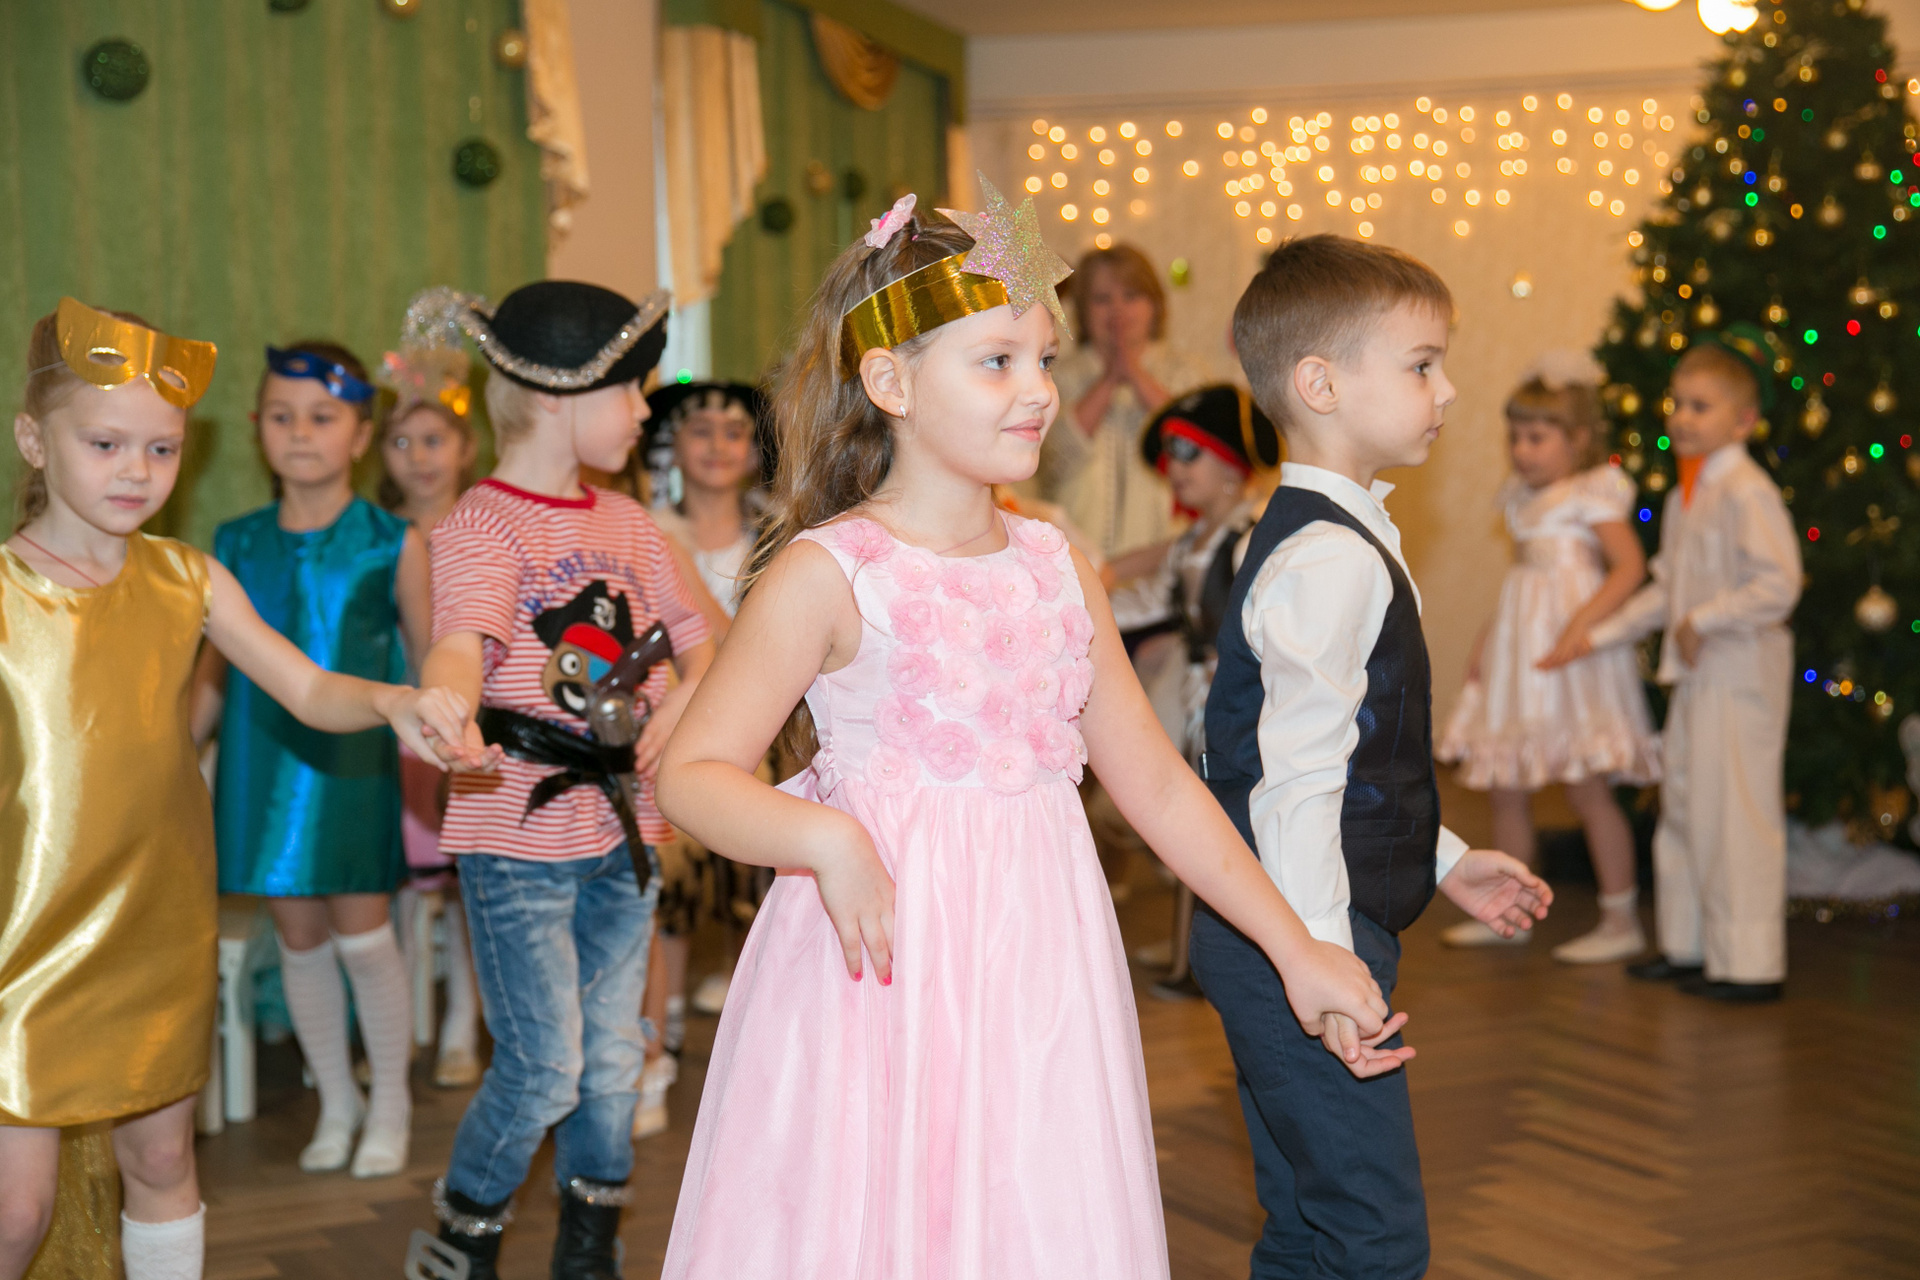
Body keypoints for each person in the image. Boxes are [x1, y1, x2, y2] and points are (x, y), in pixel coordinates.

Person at [652, 185, 1402, 1279]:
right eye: (997, 361)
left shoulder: (1057, 566)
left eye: (1044, 359)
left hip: (1041, 965)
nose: (1039, 390)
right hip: (882, 969)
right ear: (891, 383)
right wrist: (826, 838)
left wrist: (1297, 950)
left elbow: (1157, 783)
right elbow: (693, 774)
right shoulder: (830, 572)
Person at [0, 298, 486, 1280]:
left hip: (154, 920)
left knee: (162, 1160)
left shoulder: (191, 579)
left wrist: (392, 699)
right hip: (26, 935)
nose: (136, 470)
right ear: (35, 442)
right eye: (105, 443)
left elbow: (306, 687)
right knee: (18, 1209)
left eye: (162, 448)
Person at [1195, 235, 1552, 1278]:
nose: (1449, 388)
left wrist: (1445, 862)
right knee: (1374, 1234)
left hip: (1292, 926)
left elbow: (1350, 764)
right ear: (1321, 384)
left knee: (1311, 1225)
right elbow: (1297, 786)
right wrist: (1318, 958)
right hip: (1302, 935)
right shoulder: (1329, 558)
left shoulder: (1335, 538)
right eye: (1422, 364)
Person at [404, 279, 715, 1280]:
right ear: (555, 395)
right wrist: (447, 699)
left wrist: (678, 709)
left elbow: (708, 646)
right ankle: (459, 1248)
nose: (642, 411)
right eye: (630, 391)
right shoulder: (482, 525)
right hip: (516, 837)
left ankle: (589, 1254)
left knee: (615, 1059)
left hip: (623, 832)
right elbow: (463, 640)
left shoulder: (631, 524)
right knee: (545, 1065)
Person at [191, 341, 425, 1180]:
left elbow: (428, 663)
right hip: (263, 761)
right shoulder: (233, 543)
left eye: (322, 418)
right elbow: (213, 671)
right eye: (282, 417)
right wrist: (177, 750)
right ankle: (336, 1100)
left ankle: (390, 1102)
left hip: (354, 764)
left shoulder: (392, 542)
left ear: (360, 435)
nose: (300, 433)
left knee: (364, 932)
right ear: (258, 427)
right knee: (297, 934)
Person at [1577, 326, 1801, 1002]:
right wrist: (1601, 634)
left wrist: (1704, 620)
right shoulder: (1684, 497)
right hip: (1698, 676)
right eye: (1678, 404)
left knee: (1736, 814)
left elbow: (1779, 584)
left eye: (1701, 406)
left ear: (1745, 420)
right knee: (1685, 806)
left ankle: (1749, 964)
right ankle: (1690, 946)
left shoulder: (1747, 491)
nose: (1683, 418)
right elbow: (1669, 589)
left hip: (1740, 674)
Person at [1436, 353, 1661, 963]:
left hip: (1572, 661)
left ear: (1579, 438)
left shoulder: (1590, 495)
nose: (1522, 450)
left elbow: (1629, 567)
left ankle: (1620, 918)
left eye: (1537, 437)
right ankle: (1510, 911)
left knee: (1587, 788)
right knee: (1507, 786)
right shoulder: (1519, 500)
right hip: (1522, 659)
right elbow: (1521, 583)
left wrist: (1583, 624)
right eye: (1515, 437)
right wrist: (1487, 643)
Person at [629, 378, 775, 1138]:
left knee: (765, 861)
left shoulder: (780, 534)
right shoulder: (648, 530)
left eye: (734, 431)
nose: (718, 445)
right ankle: (664, 1027)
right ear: (671, 446)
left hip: (771, 727)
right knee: (668, 871)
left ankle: (760, 1025)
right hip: (678, 724)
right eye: (700, 430)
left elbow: (771, 645)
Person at [1106, 384, 1281, 998]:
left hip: (1242, 704)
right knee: (1198, 822)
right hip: (1198, 698)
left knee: (1229, 828)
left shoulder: (1253, 532)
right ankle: (1192, 951)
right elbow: (1149, 601)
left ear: (1232, 462)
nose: (1173, 468)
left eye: (1190, 452)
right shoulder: (1193, 541)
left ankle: (1223, 958)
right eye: (1169, 455)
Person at [375, 357, 485, 1087]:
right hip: (395, 725)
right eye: (401, 442)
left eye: (434, 440)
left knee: (466, 883)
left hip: (466, 718)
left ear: (466, 447)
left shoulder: (483, 526)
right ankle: (399, 1026)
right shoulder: (375, 534)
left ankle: (460, 1025)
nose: (419, 458)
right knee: (402, 884)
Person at [1037, 242, 1204, 560]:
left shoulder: (1185, 373)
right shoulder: (1056, 374)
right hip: (1074, 556)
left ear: (1154, 304)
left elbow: (1196, 449)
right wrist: (1110, 378)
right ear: (1083, 311)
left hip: (1165, 556)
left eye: (1131, 295)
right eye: (1102, 299)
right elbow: (1052, 460)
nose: (1117, 310)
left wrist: (1135, 374)